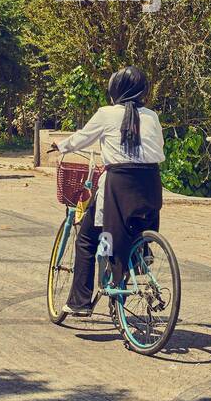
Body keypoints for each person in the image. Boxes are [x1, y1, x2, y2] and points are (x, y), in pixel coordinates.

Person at [51, 66, 165, 317]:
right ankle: (136, 258)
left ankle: (80, 302)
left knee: (87, 239)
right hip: (151, 185)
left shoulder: (106, 114)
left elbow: (81, 138)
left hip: (119, 185)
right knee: (133, 230)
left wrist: (59, 145)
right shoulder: (152, 116)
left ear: (116, 89)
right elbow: (159, 147)